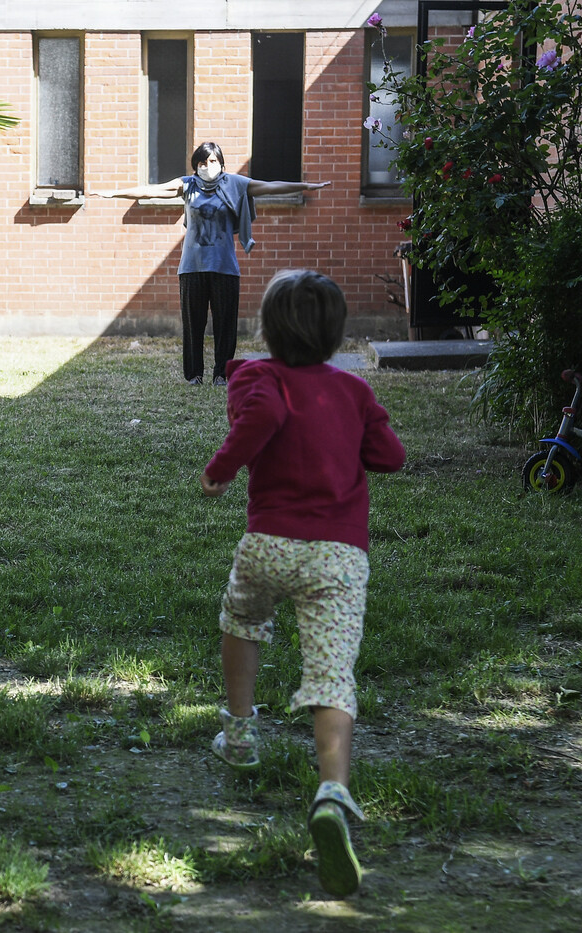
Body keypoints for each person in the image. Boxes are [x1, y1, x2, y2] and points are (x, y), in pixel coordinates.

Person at [199, 270, 405, 897]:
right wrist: (363, 421)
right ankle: (333, 791)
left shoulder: (259, 378)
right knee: (332, 673)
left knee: (243, 620)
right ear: (338, 333)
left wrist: (220, 471)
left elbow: (257, 416)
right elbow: (391, 457)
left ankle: (239, 734)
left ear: (267, 329)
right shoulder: (353, 390)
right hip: (338, 558)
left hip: (269, 547)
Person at [92, 143, 330, 386]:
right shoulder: (188, 185)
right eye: (202, 163)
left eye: (213, 161)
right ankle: (194, 374)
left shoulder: (235, 183)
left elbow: (269, 186)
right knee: (193, 324)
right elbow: (152, 190)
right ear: (196, 166)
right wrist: (114, 193)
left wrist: (305, 186)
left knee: (225, 324)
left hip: (224, 266)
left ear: (222, 163)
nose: (208, 167)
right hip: (192, 267)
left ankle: (221, 374)